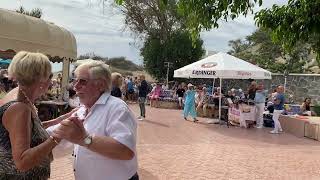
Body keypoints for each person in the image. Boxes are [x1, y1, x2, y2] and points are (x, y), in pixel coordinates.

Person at [50, 60, 138, 180]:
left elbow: (125, 150)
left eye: (82, 81)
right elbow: (57, 133)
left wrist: (84, 139)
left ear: (100, 85)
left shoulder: (117, 108)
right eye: (75, 81)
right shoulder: (82, 110)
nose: (75, 86)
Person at [0, 51, 74, 179]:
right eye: (49, 76)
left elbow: (26, 130)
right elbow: (22, 162)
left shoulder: (20, 96)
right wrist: (57, 136)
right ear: (41, 79)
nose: (51, 81)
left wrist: (59, 120)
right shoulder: (20, 108)